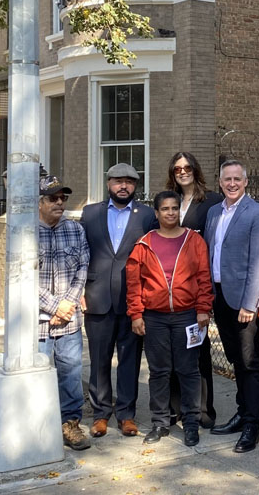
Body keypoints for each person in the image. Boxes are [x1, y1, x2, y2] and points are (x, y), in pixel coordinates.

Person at [126, 191, 213, 447]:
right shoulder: (144, 244)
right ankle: (161, 421)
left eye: (175, 208)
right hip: (155, 318)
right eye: (165, 209)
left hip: (187, 316)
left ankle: (191, 422)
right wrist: (136, 314)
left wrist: (203, 308)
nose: (171, 213)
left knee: (188, 370)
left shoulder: (193, 240)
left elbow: (204, 278)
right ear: (157, 213)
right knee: (159, 372)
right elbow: (134, 283)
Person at [82, 163, 157, 438]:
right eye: (117, 181)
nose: (123, 186)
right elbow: (82, 254)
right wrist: (80, 289)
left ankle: (127, 414)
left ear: (135, 185)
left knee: (130, 359)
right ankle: (101, 413)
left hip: (132, 300)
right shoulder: (90, 214)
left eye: (128, 181)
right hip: (97, 297)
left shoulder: (147, 215)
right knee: (99, 359)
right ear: (108, 183)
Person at [204, 160, 259, 452]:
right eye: (226, 179)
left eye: (237, 179)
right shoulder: (213, 212)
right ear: (220, 183)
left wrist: (250, 303)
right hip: (219, 297)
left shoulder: (257, 212)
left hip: (242, 300)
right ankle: (242, 413)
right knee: (234, 359)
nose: (232, 184)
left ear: (245, 182)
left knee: (249, 361)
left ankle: (252, 425)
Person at [166, 151, 223, 428]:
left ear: (196, 169)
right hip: (172, 289)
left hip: (198, 286)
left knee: (199, 350)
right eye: (177, 169)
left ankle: (203, 409)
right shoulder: (168, 200)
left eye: (187, 167)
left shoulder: (211, 201)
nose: (183, 172)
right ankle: (176, 407)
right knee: (174, 351)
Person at [38, 174, 91, 451]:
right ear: (39, 202)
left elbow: (83, 268)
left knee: (70, 374)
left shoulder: (76, 230)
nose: (59, 202)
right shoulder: (25, 233)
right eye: (52, 198)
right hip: (38, 322)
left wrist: (67, 306)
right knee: (39, 375)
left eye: (63, 198)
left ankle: (70, 425)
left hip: (69, 321)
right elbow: (23, 277)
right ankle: (40, 430)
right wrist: (53, 306)